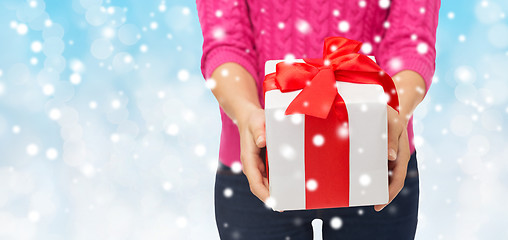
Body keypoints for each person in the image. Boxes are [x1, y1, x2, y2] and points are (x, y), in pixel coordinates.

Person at [196, 0, 440, 239]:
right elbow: (225, 42)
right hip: (258, 161)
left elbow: (412, 41)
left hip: (378, 154)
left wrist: (396, 111)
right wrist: (245, 112)